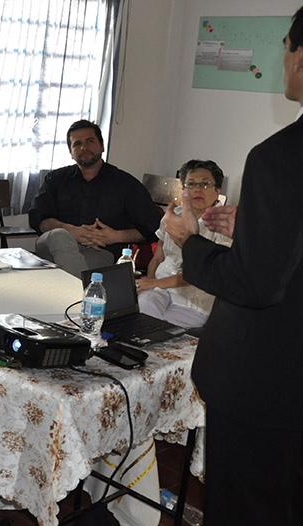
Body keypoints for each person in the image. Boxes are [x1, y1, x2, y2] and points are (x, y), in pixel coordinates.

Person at [163, 8, 303, 524]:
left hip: (269, 383)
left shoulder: (279, 157)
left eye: (284, 49)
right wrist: (258, 225)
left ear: (300, 58)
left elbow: (255, 284)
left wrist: (189, 241)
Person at [29, 119, 161, 277]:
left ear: (102, 146)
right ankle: (81, 288)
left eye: (90, 141)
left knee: (81, 273)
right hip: (51, 248)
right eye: (77, 144)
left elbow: (153, 226)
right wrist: (70, 231)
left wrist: (116, 236)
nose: (83, 147)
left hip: (99, 250)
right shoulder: (56, 179)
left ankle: (73, 286)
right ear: (71, 152)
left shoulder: (125, 184)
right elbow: (38, 218)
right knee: (60, 236)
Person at [135, 160, 231, 328]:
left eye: (205, 184)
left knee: (164, 329)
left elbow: (202, 273)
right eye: (191, 184)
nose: (198, 189)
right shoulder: (173, 216)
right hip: (161, 290)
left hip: (194, 301)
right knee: (142, 309)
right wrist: (149, 282)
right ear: (183, 189)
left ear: (217, 190)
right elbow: (157, 258)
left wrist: (154, 283)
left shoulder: (224, 225)